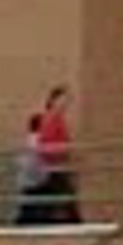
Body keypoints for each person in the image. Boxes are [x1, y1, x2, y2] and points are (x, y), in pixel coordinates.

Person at [19, 85, 81, 226]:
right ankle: (74, 224)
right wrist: (60, 154)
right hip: (54, 166)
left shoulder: (56, 119)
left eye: (67, 100)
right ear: (53, 100)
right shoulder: (52, 118)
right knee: (64, 199)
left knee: (59, 200)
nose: (66, 103)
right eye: (63, 99)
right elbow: (46, 143)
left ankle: (71, 223)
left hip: (55, 166)